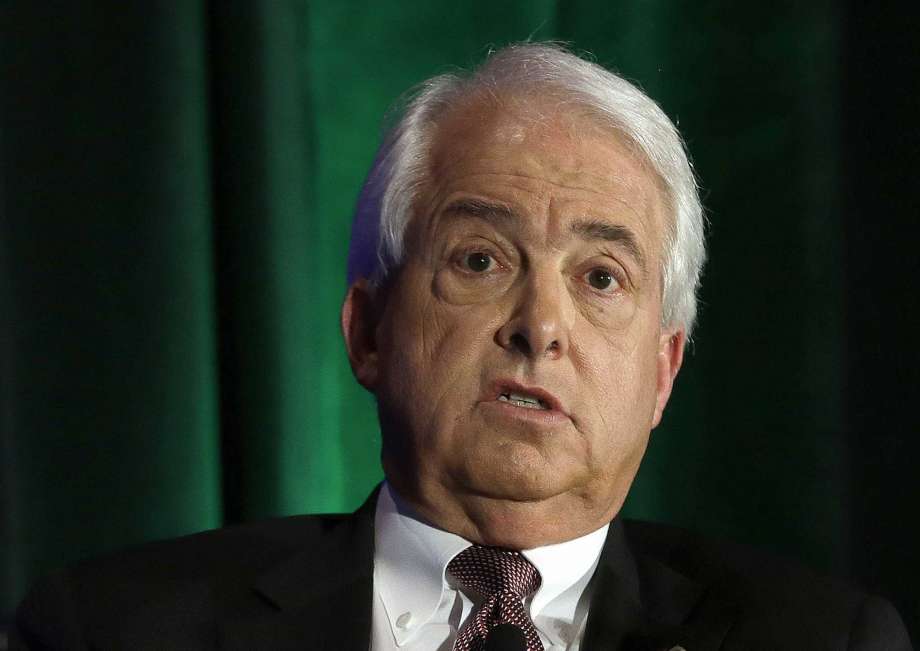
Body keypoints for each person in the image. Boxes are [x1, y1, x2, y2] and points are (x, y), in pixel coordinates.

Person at [11, 43, 912, 651]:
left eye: (601, 277)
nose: (540, 325)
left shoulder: (825, 639)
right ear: (369, 331)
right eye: (480, 259)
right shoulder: (109, 628)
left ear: (662, 373)